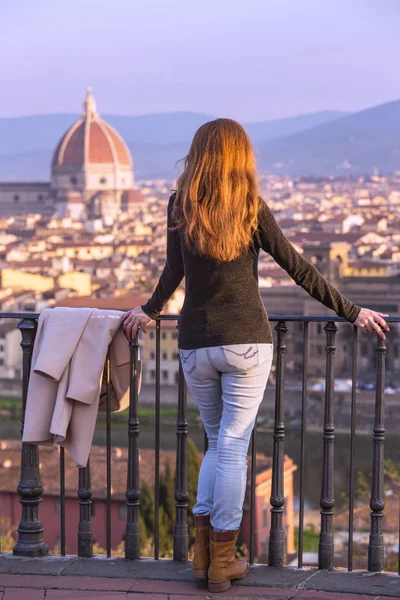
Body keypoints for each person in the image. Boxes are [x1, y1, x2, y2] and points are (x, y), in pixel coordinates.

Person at [122, 119, 389, 593]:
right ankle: (223, 560)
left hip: (194, 345)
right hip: (246, 343)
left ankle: (204, 557)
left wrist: (149, 311)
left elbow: (173, 271)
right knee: (232, 447)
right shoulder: (250, 207)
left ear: (199, 154)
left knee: (215, 442)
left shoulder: (179, 204)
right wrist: (352, 311)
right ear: (240, 157)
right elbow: (299, 268)